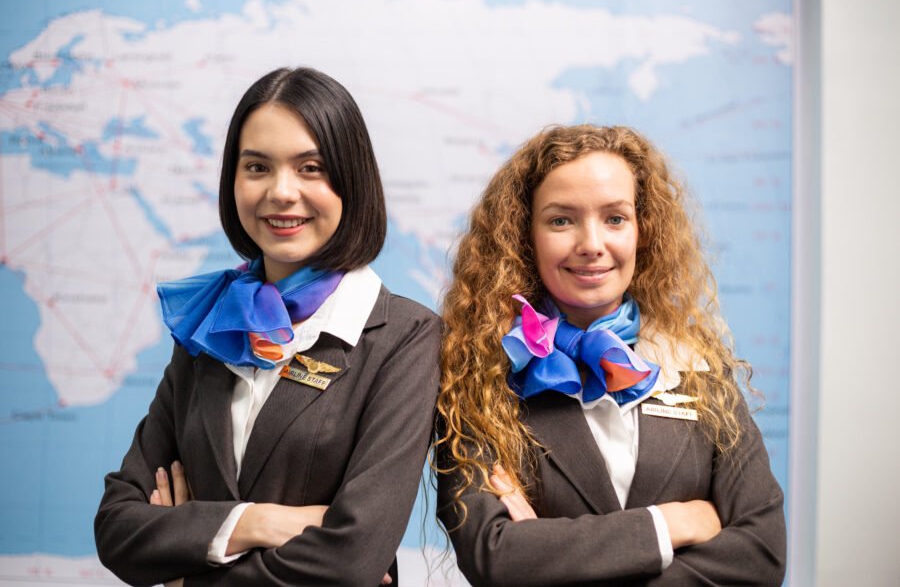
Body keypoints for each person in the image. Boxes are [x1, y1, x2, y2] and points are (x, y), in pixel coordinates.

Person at [94, 67, 440, 587]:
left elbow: (355, 555)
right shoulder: (212, 325)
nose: (281, 192)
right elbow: (118, 528)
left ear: (352, 182)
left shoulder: (405, 337)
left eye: (311, 169)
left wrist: (187, 570)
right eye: (257, 167)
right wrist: (260, 522)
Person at [435, 125, 786, 586]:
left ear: (643, 231)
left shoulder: (699, 366)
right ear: (526, 236)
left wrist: (553, 553)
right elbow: (496, 557)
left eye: (615, 218)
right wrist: (670, 524)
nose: (592, 244)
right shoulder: (477, 375)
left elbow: (761, 552)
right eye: (562, 220)